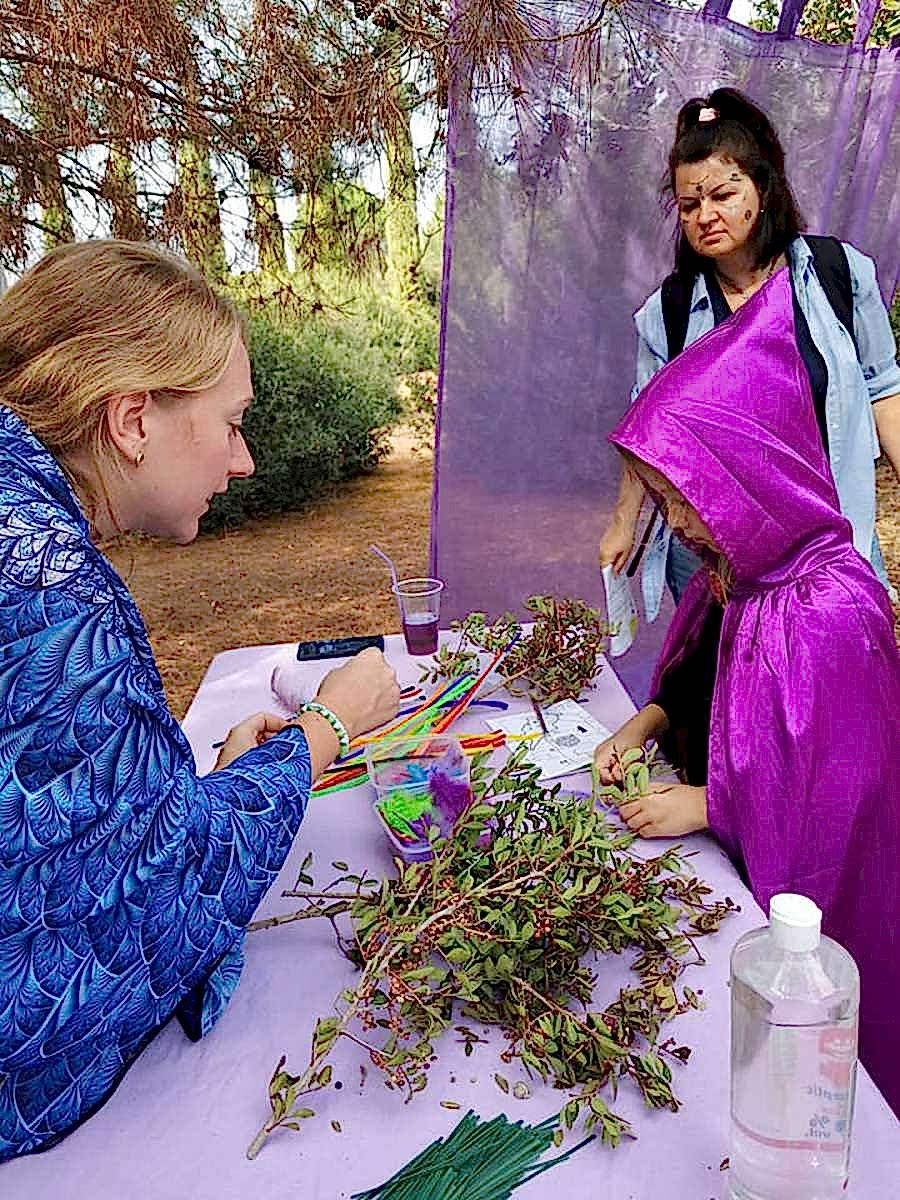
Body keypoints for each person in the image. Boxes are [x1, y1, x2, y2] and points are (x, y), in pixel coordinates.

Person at [0, 240, 401, 1161]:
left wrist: (180, 793)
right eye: (230, 423)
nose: (245, 460)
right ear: (133, 420)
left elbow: (76, 843)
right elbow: (157, 902)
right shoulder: (47, 592)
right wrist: (327, 725)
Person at [594, 265, 900, 1116]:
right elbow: (705, 682)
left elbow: (839, 794)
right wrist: (643, 726)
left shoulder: (834, 606)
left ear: (746, 474)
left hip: (814, 925)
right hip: (735, 877)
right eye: (663, 500)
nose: (676, 522)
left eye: (684, 497)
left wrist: (712, 803)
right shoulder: (742, 575)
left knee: (813, 1075)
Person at [598, 87, 900, 621]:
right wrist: (624, 522)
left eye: (723, 195)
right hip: (717, 569)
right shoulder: (669, 312)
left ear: (761, 187)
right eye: (690, 206)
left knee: (832, 671)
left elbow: (884, 390)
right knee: (722, 675)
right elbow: (650, 435)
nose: (706, 216)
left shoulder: (837, 275)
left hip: (829, 555)